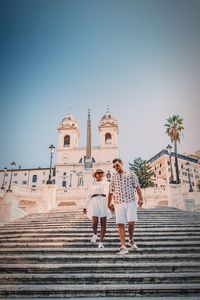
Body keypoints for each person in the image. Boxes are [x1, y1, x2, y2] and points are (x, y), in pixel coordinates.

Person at [108, 158, 143, 255]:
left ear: (122, 164)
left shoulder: (131, 174)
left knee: (131, 222)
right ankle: (123, 246)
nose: (115, 167)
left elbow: (137, 186)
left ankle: (131, 239)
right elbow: (111, 191)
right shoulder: (114, 176)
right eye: (114, 166)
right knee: (120, 223)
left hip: (130, 201)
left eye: (117, 165)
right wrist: (109, 203)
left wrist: (140, 198)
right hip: (118, 202)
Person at [83, 168, 111, 249]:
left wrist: (111, 204)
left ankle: (101, 242)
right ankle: (95, 234)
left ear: (103, 174)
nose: (99, 174)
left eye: (101, 173)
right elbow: (88, 195)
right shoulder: (92, 183)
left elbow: (110, 194)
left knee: (103, 223)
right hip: (94, 201)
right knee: (94, 222)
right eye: (98, 173)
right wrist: (85, 206)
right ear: (95, 175)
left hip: (104, 201)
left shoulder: (107, 183)